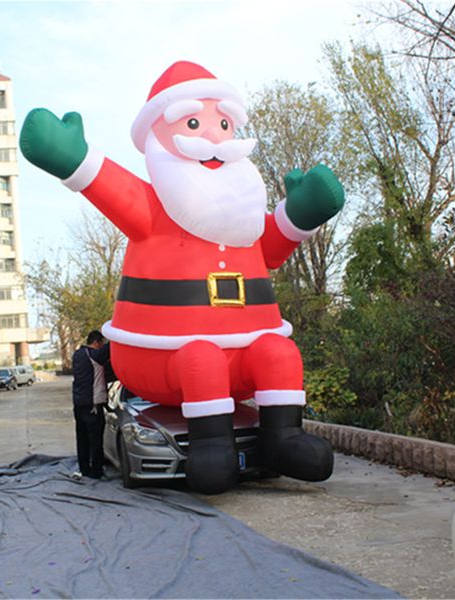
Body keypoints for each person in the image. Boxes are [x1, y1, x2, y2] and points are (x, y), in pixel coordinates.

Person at [21, 61, 343, 494]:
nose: (213, 136)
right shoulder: (154, 207)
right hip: (161, 357)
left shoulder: (243, 217)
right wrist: (72, 157)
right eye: (193, 122)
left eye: (223, 123)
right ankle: (212, 447)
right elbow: (105, 183)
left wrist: (301, 214)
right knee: (201, 358)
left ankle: (283, 439)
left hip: (246, 350)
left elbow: (270, 247)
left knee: (279, 354)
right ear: (158, 133)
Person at [71, 330, 115, 479]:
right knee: (96, 440)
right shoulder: (94, 355)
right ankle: (97, 471)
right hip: (93, 405)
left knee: (82, 439)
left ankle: (85, 469)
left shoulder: (77, 355)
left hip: (78, 404)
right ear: (96, 343)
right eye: (100, 343)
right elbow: (111, 346)